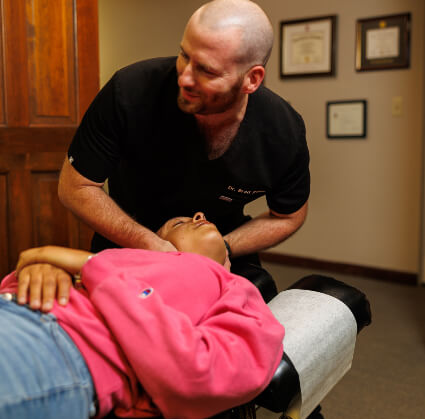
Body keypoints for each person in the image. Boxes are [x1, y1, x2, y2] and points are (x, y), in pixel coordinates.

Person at [58, 0, 310, 277]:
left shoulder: (282, 130)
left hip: (220, 253)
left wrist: (221, 249)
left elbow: (288, 216)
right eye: (184, 55)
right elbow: (76, 187)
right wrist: (152, 245)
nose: (185, 79)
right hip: (128, 243)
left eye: (207, 70)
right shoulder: (130, 92)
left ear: (252, 79)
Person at [0, 213, 284, 419]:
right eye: (178, 223)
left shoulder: (238, 293)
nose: (199, 215)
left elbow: (197, 375)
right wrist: (40, 271)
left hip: (58, 349)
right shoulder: (116, 260)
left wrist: (88, 266)